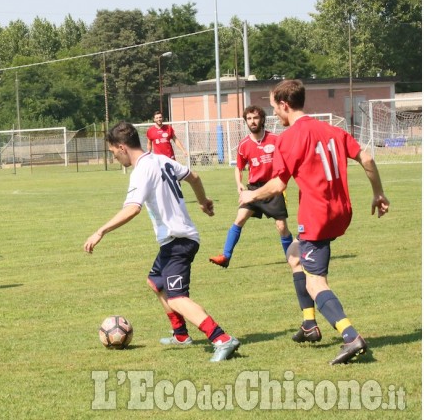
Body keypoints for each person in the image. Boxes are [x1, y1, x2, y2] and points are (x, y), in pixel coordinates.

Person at [239, 80, 389, 365]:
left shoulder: (288, 138)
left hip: (316, 215)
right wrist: (378, 193)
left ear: (285, 105)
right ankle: (309, 325)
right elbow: (367, 159)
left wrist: (250, 195)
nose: (274, 115)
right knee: (294, 256)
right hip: (340, 210)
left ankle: (350, 335)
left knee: (315, 282)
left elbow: (277, 184)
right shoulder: (333, 129)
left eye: (274, 109)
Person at [84, 121, 240, 362]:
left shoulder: (141, 169)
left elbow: (132, 209)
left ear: (122, 147)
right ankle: (180, 334)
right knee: (156, 282)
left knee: (177, 297)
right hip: (174, 240)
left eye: (113, 152)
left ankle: (221, 338)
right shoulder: (160, 159)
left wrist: (100, 231)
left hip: (179, 240)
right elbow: (194, 176)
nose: (114, 157)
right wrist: (202, 201)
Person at [209, 105, 293, 268]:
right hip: (253, 189)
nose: (252, 121)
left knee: (281, 226)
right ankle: (225, 257)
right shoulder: (244, 144)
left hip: (272, 188)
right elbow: (238, 167)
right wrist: (239, 183)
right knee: (239, 219)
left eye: (255, 118)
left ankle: (291, 258)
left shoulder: (276, 140)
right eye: (249, 118)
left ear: (262, 119)